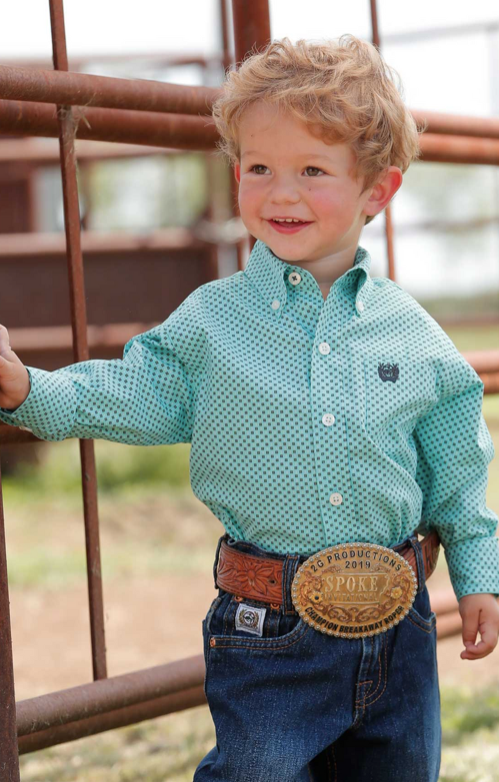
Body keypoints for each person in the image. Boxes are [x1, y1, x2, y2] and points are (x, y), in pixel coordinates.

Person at [0, 34, 498, 782]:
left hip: (400, 628)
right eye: (259, 168)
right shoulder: (213, 321)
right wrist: (31, 393)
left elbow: (457, 472)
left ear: (377, 191)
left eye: (312, 170)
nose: (281, 193)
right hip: (268, 631)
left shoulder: (415, 335)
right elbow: (136, 390)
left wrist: (478, 574)